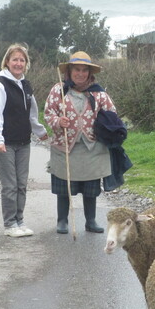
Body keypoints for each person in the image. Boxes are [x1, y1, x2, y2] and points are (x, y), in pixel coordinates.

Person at [44, 51, 116, 234]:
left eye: (85, 70)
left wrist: (107, 125)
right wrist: (58, 122)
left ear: (90, 73)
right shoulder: (58, 90)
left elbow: (111, 113)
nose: (80, 74)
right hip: (65, 148)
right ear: (69, 71)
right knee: (64, 186)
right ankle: (62, 221)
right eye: (77, 69)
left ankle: (90, 221)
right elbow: (48, 113)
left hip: (92, 148)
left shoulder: (98, 93)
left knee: (91, 188)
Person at [0, 43, 48, 237]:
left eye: (22, 60)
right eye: (15, 59)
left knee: (22, 184)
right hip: (5, 143)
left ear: (26, 63)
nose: (18, 63)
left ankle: (20, 221)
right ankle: (10, 224)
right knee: (10, 185)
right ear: (7, 61)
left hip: (24, 143)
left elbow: (32, 114)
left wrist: (40, 131)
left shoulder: (26, 85)